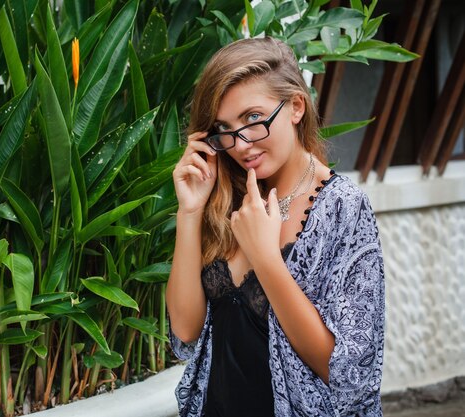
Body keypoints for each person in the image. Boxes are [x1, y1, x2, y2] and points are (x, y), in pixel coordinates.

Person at [165, 37, 385, 417]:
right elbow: (185, 333)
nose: (241, 144)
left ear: (296, 106)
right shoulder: (226, 200)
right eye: (225, 129)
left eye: (253, 118)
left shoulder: (342, 208)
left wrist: (266, 259)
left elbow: (348, 374)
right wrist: (189, 212)